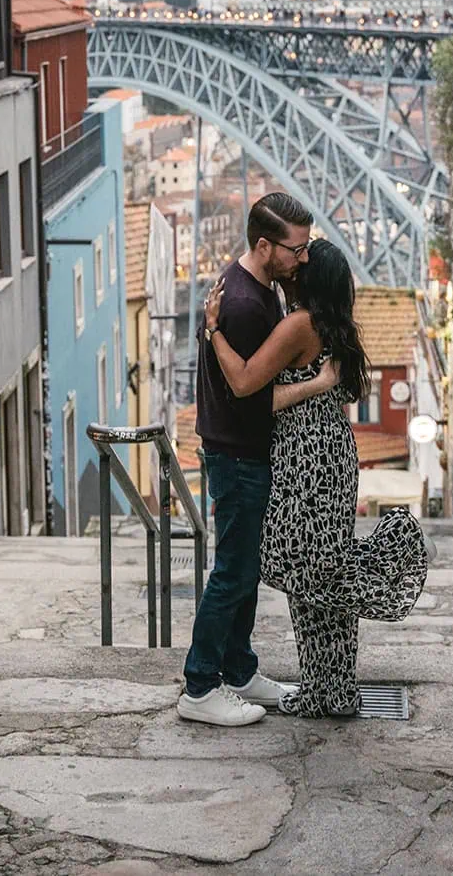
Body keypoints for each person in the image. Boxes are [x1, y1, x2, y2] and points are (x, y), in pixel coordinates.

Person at [204, 239, 433, 717]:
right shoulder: (334, 324)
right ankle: (335, 690)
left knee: (301, 569)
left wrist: (214, 333)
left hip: (304, 456)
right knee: (322, 566)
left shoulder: (298, 325)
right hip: (332, 452)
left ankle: (392, 561)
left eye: (302, 263)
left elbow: (252, 394)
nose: (294, 265)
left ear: (310, 280)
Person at [177, 192, 339, 727]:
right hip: (237, 455)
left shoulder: (258, 285)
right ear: (265, 246)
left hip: (244, 451)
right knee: (232, 573)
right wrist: (318, 384)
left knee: (244, 572)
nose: (304, 258)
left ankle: (239, 670)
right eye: (297, 249)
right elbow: (250, 392)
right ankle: (201, 686)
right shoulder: (245, 305)